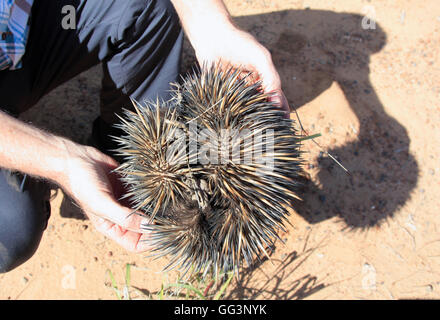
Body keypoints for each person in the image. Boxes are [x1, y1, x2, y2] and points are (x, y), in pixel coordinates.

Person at [0, 0, 289, 273]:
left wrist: (212, 26)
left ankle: (120, 164)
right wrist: (57, 161)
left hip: (18, 26)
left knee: (147, 5)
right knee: (13, 230)